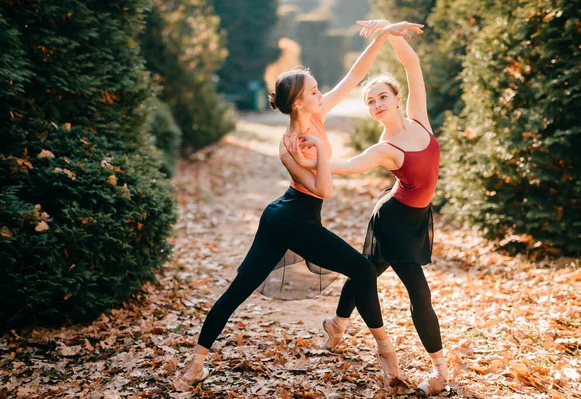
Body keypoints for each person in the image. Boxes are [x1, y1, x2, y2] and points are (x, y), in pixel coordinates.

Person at [181, 21, 425, 388]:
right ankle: (387, 355)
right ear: (298, 102)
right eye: (314, 91)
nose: (321, 93)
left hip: (289, 213)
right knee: (356, 270)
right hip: (291, 220)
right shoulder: (291, 144)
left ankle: (197, 361)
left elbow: (355, 73)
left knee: (248, 286)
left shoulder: (316, 115)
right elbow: (324, 189)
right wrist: (323, 150)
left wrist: (385, 34)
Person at [286, 19, 450, 396]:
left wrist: (390, 33)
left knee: (367, 271)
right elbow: (345, 166)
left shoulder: (419, 119)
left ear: (396, 98)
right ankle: (440, 370)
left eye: (381, 97)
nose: (376, 104)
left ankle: (338, 324)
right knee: (416, 292)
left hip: (415, 218)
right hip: (393, 221)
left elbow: (413, 67)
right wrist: (310, 161)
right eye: (370, 102)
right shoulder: (384, 149)